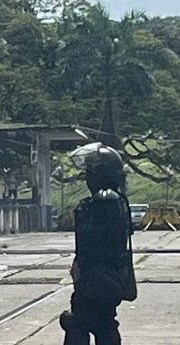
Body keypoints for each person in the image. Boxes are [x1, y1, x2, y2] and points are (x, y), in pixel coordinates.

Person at [60, 143, 137, 345]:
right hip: (104, 276)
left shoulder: (106, 201)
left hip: (99, 276)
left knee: (79, 324)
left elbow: (92, 237)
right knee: (103, 323)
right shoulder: (117, 200)